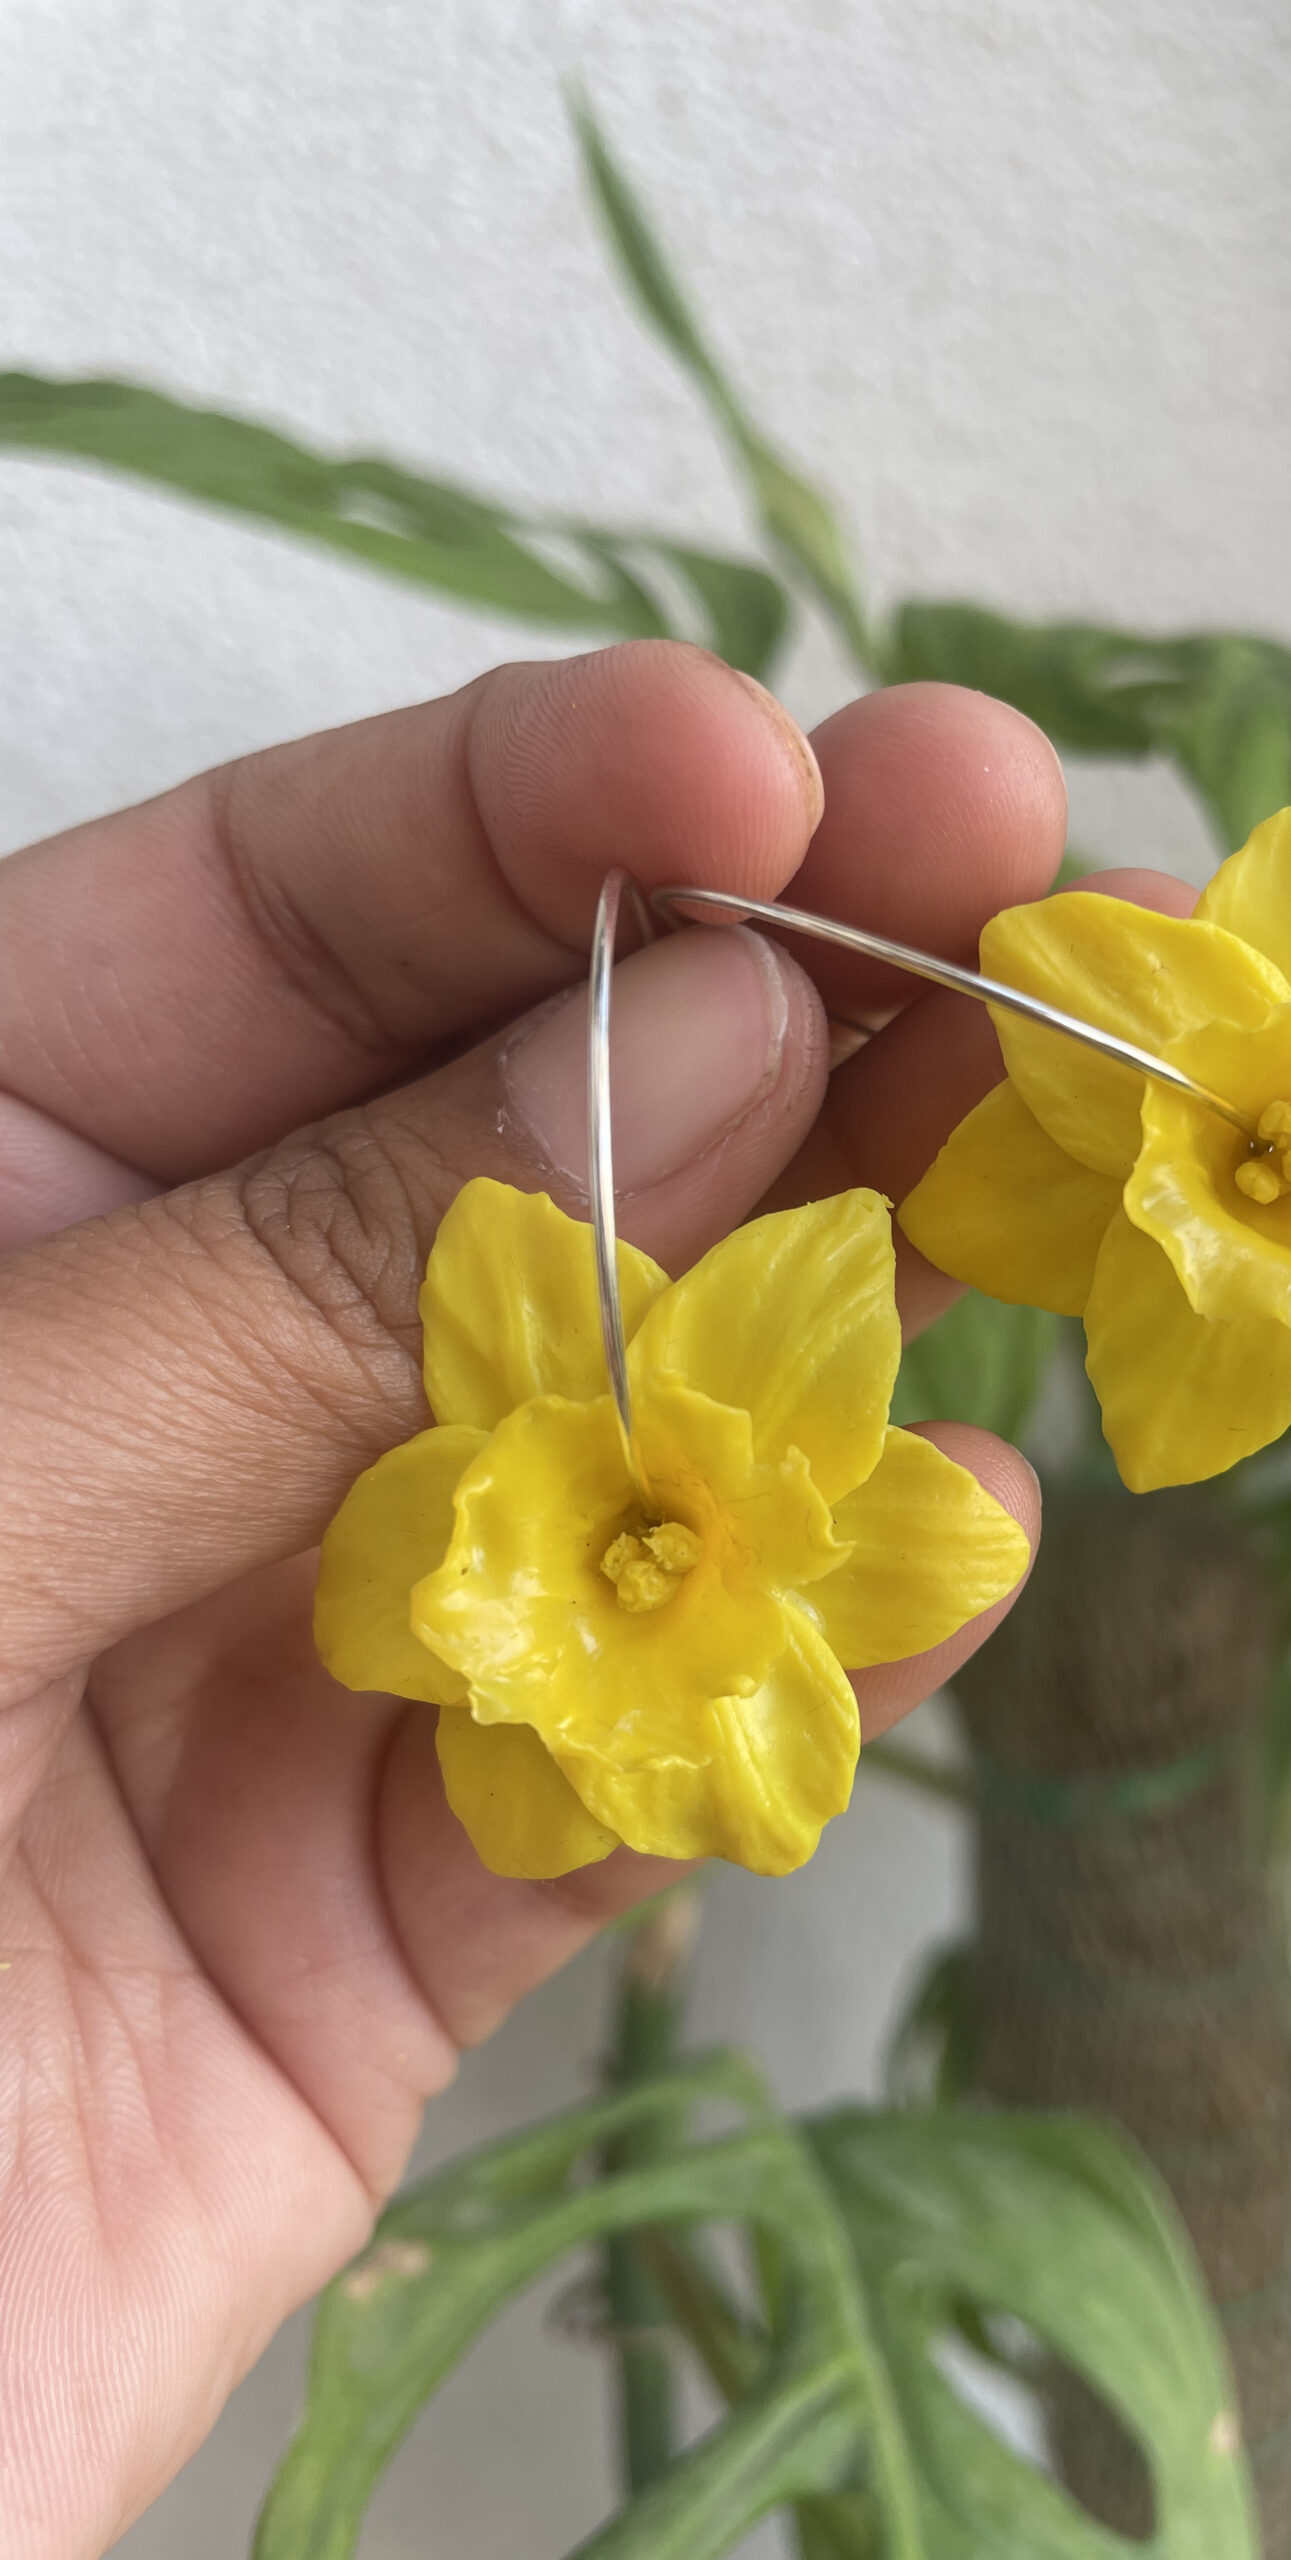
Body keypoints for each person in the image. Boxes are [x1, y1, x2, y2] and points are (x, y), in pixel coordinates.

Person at [0, 643, 1062, 2558]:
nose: (659, 1560)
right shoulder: (585, 1328)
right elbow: (482, 1267)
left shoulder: (740, 1369)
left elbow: (869, 1590)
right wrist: (348, 1269)